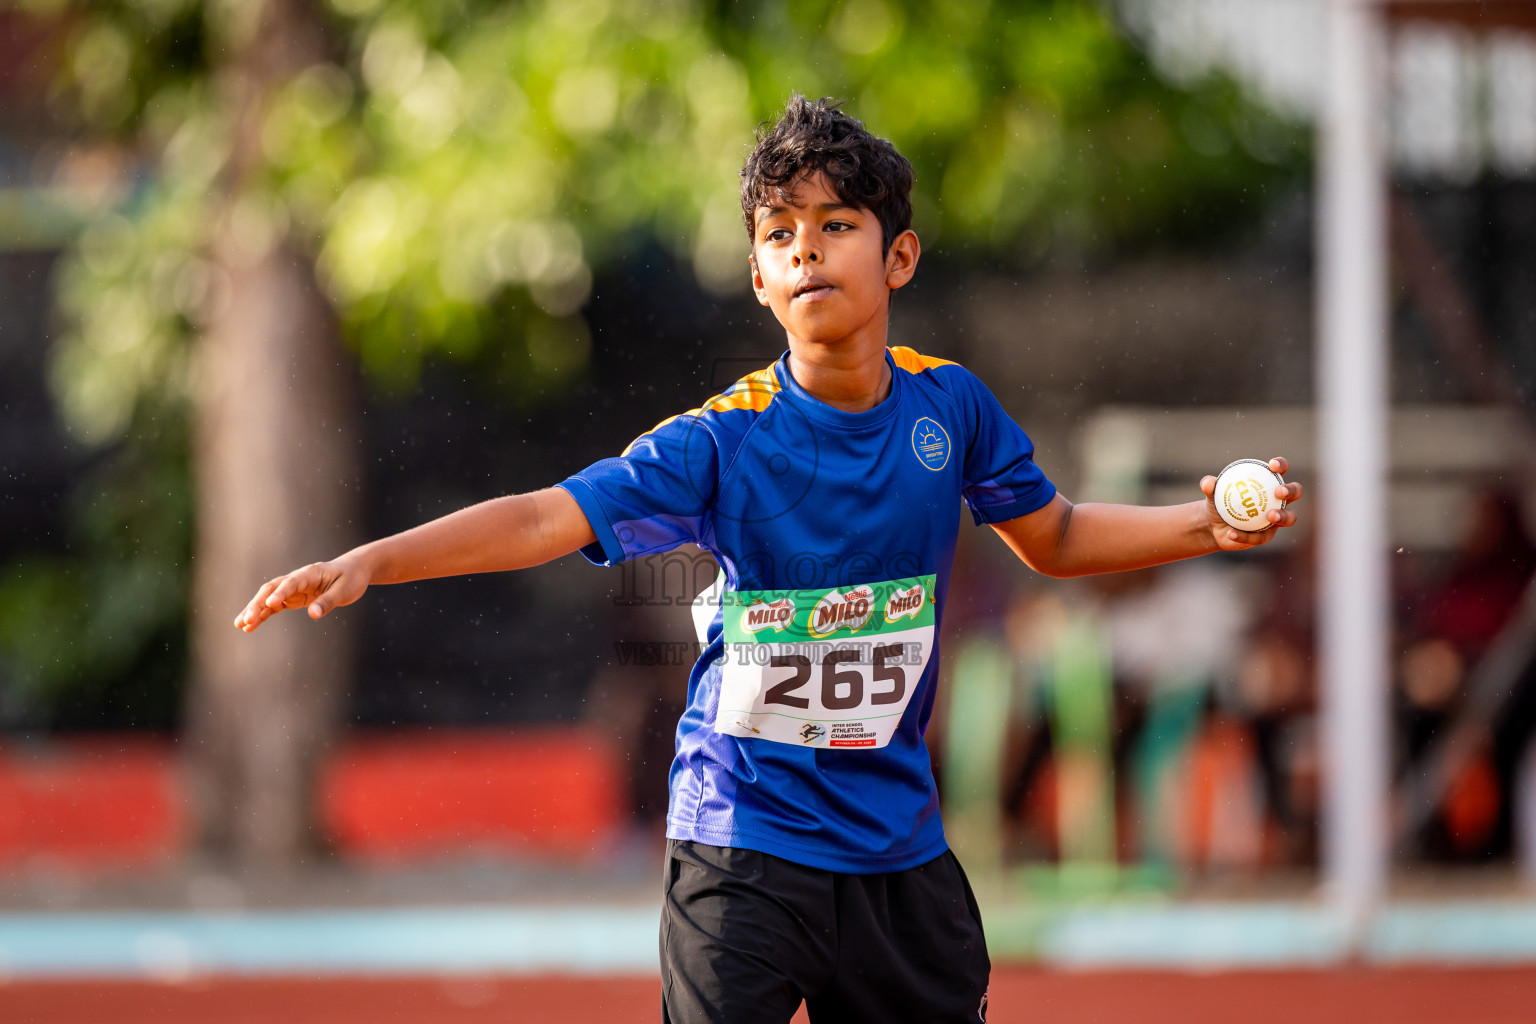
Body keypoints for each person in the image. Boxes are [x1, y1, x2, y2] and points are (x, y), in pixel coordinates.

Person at [235, 96, 1304, 1024]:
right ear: (755, 274)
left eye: (837, 224)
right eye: (780, 232)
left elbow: (1055, 534)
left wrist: (1205, 524)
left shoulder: (951, 409)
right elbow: (539, 518)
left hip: (896, 854)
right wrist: (375, 559)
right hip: (741, 842)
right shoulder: (722, 440)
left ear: (899, 257)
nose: (806, 248)